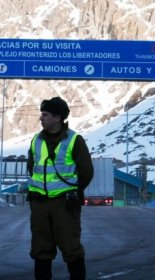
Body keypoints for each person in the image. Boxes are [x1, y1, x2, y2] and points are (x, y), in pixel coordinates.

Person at [27, 96, 94, 280]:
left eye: (45, 115)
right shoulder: (36, 140)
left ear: (58, 118)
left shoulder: (74, 141)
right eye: (41, 114)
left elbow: (86, 171)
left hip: (64, 205)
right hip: (40, 204)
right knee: (41, 250)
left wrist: (74, 191)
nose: (41, 118)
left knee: (71, 248)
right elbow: (32, 166)